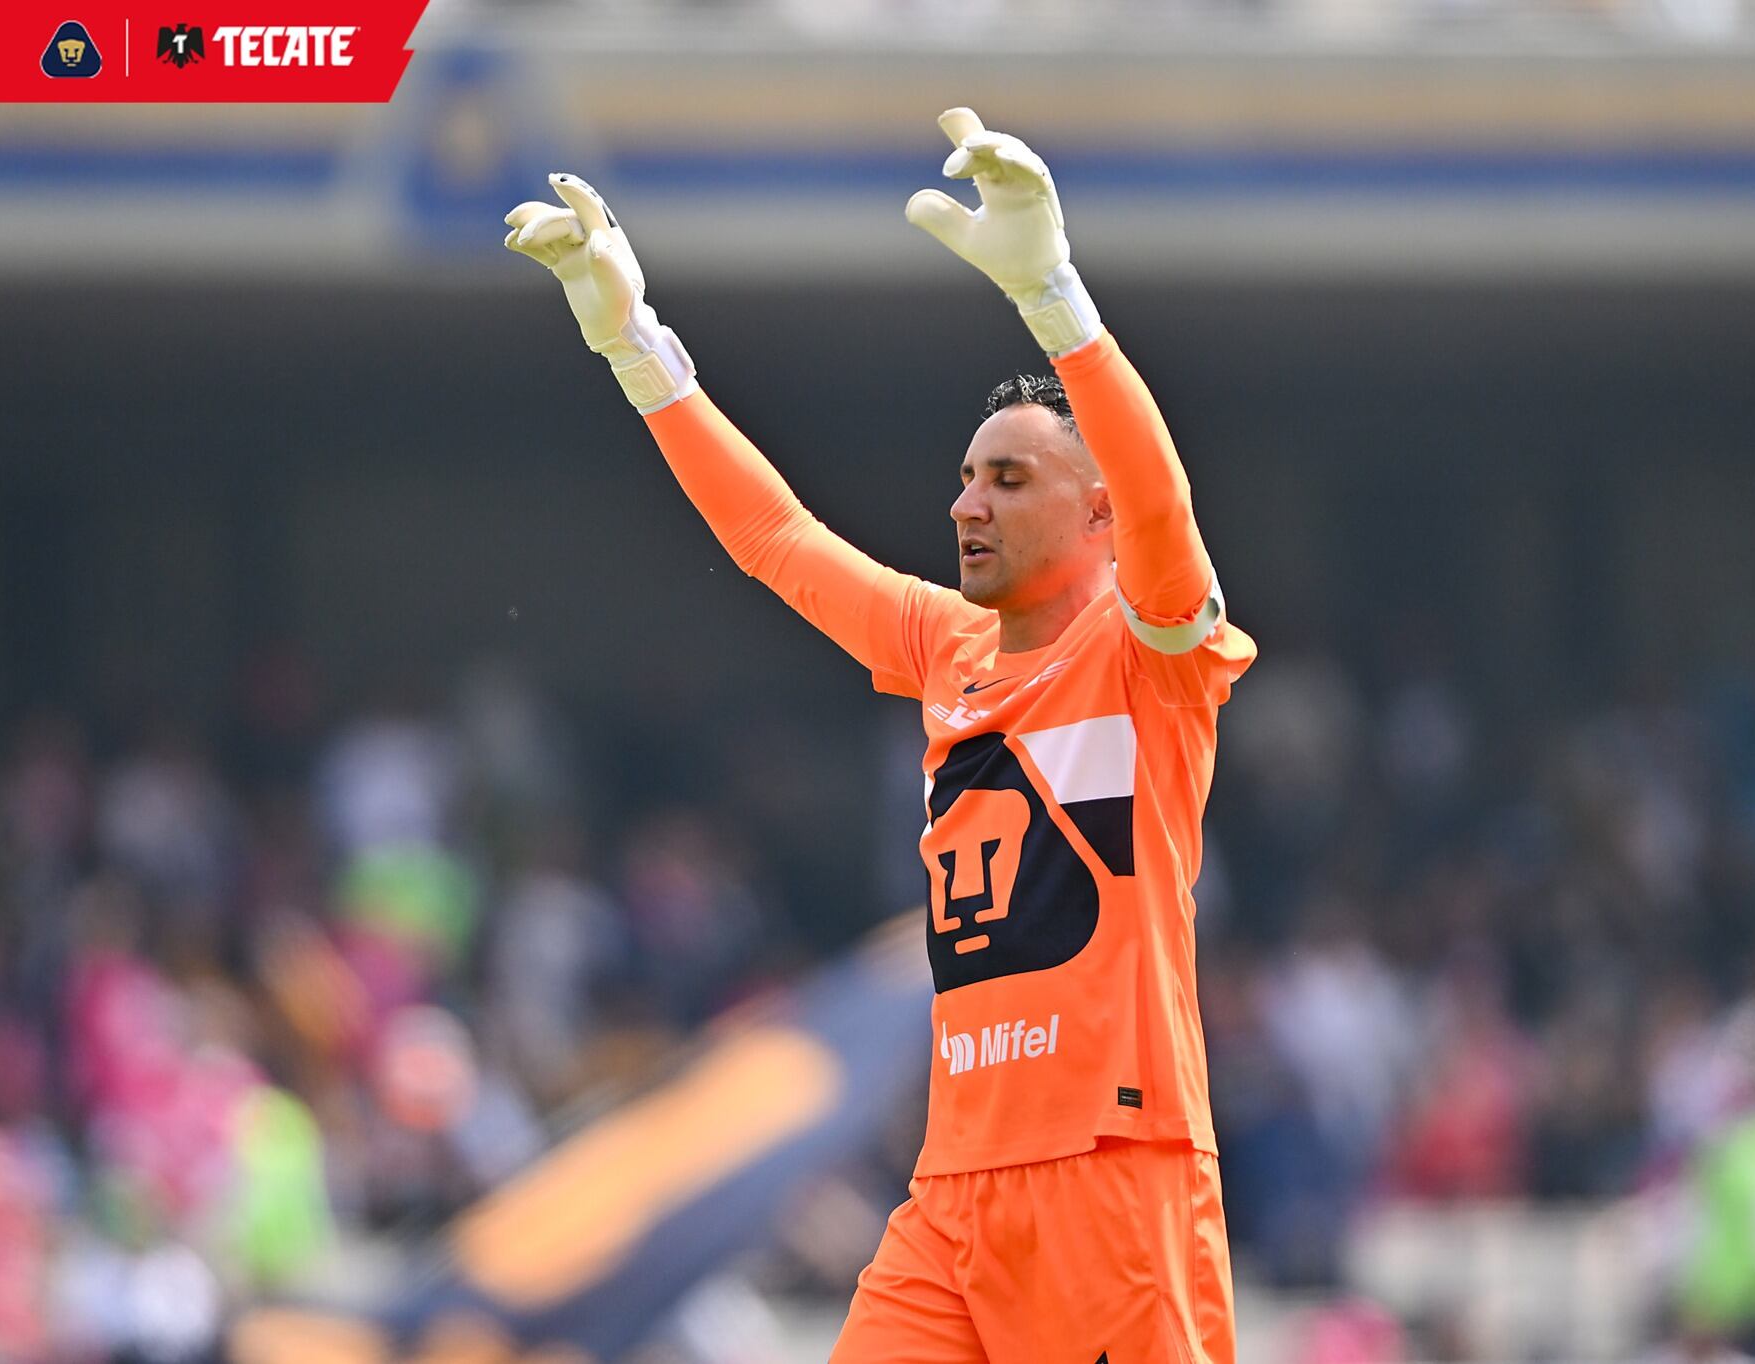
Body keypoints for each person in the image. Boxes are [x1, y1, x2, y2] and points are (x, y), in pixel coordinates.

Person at [506, 107, 1253, 1363]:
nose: (966, 501)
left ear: (1099, 514)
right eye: (964, 476)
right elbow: (776, 538)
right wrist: (636, 346)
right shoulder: (941, 650)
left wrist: (1050, 296)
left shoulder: (1149, 656)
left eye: (1008, 478)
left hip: (1112, 1169)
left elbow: (1168, 513)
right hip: (954, 1189)